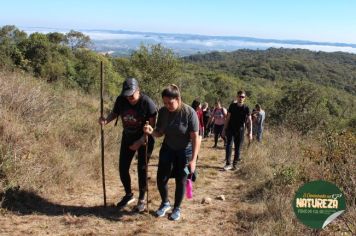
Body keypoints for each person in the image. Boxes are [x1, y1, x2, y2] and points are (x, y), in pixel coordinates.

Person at [99, 78, 157, 212]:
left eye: (132, 94)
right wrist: (106, 120)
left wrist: (141, 141)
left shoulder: (147, 103)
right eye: (127, 94)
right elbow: (115, 113)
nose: (129, 97)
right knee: (123, 168)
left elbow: (152, 126)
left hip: (145, 139)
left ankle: (142, 199)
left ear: (138, 90)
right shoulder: (121, 100)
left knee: (142, 168)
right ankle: (129, 195)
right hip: (128, 136)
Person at [143, 84, 200, 221]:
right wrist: (151, 132)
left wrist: (193, 160)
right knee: (161, 178)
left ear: (178, 99)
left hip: (184, 150)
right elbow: (160, 133)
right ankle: (165, 203)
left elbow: (195, 138)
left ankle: (177, 207)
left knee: (181, 180)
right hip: (168, 148)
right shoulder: (163, 112)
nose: (167, 105)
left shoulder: (189, 112)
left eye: (170, 102)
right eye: (165, 103)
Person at [222, 90, 252, 171]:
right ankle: (228, 164)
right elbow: (227, 118)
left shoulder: (246, 108)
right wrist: (224, 129)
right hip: (231, 129)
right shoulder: (232, 106)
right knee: (229, 146)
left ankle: (235, 164)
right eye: (240, 96)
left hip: (241, 130)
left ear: (244, 98)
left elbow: (250, 121)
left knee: (238, 148)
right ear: (237, 97)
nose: (241, 98)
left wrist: (250, 132)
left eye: (243, 97)